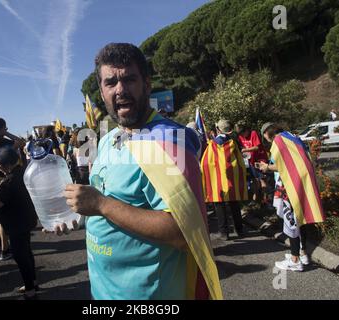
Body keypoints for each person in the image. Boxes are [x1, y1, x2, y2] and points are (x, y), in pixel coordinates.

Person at [52, 43, 222, 300]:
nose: (120, 89)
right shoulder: (109, 139)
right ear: (101, 90)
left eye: (129, 79)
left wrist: (100, 204)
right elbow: (108, 200)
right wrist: (76, 218)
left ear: (147, 84)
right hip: (104, 294)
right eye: (110, 82)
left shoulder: (167, 143)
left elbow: (184, 234)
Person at [257, 123, 325, 272]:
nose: (266, 140)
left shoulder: (278, 141)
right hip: (302, 183)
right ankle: (303, 253)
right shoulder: (292, 137)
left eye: (265, 137)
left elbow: (282, 165)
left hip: (290, 185)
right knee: (301, 219)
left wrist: (266, 167)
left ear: (267, 134)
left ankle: (295, 260)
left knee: (291, 220)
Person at [0, 146, 38, 300]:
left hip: (16, 223)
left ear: (5, 165)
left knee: (21, 256)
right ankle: (32, 282)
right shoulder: (23, 172)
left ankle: (30, 290)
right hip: (27, 218)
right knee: (27, 251)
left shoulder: (9, 181)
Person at [0, 117, 26, 261]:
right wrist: (7, 134)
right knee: (4, 215)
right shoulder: (4, 142)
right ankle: (5, 248)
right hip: (4, 180)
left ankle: (0, 244)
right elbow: (22, 142)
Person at [201, 120, 248, 241]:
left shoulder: (212, 144)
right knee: (234, 203)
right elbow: (240, 161)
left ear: (218, 130)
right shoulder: (234, 142)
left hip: (218, 180)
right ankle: (240, 230)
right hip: (232, 178)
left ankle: (224, 232)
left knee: (219, 204)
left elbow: (206, 163)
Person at [236, 123, 269, 203]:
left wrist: (245, 150)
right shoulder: (240, 136)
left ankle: (265, 199)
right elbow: (243, 147)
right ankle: (256, 198)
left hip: (260, 159)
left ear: (246, 130)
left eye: (243, 133)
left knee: (262, 179)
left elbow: (257, 147)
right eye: (240, 134)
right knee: (254, 179)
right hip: (250, 160)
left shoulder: (253, 133)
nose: (242, 136)